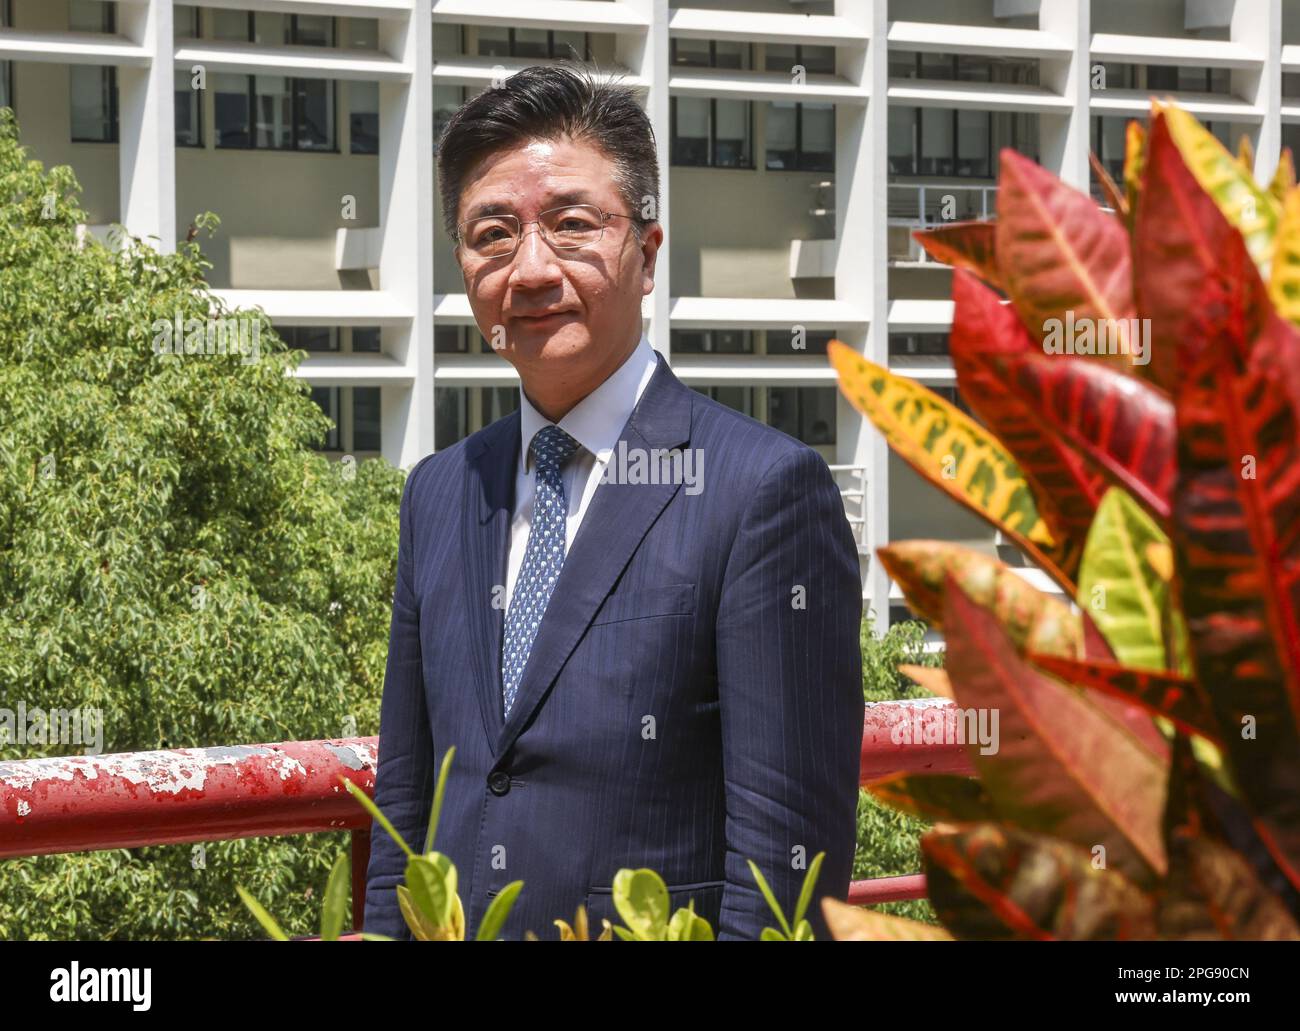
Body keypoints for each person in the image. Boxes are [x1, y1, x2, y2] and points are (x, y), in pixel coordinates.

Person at [363, 63, 864, 941]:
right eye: (492, 234)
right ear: (462, 266)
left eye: (570, 225)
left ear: (648, 254)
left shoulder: (760, 492)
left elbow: (788, 862)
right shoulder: (440, 492)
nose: (528, 269)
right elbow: (407, 804)